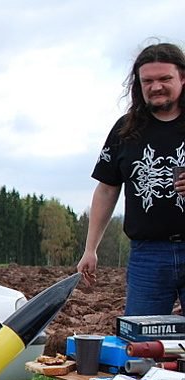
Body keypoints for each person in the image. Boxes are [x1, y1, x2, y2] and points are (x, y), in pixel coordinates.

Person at [77, 42, 185, 315]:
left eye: (165, 78)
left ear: (182, 78)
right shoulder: (125, 130)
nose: (156, 86)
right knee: (140, 335)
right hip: (148, 256)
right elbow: (106, 190)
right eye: (147, 81)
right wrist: (90, 248)